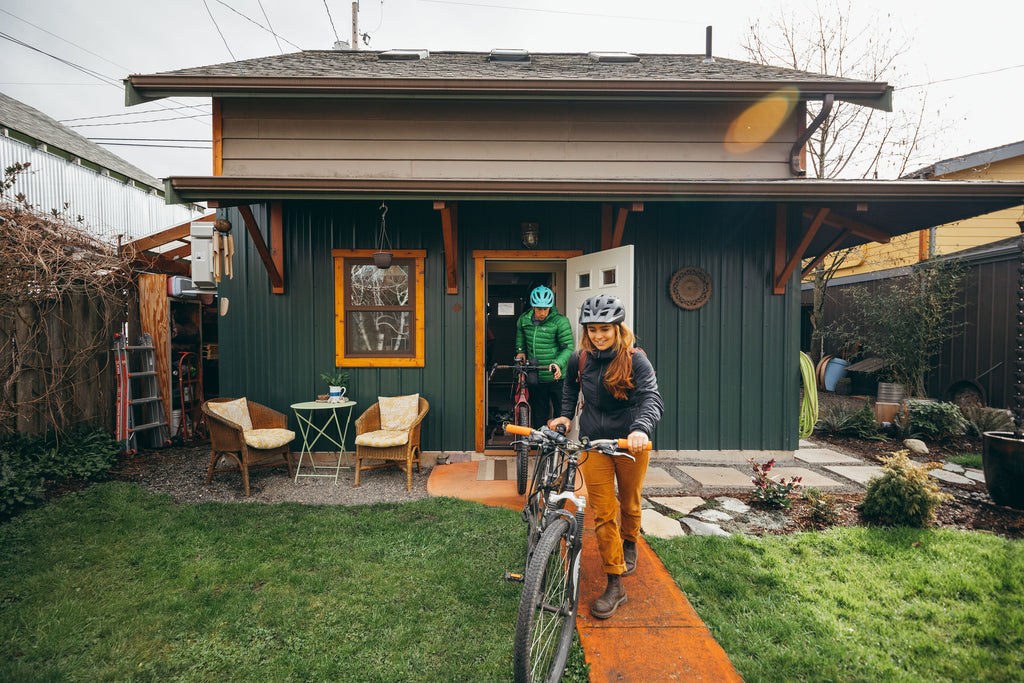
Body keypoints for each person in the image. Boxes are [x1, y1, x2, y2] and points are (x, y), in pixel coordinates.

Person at [549, 293, 663, 620]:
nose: (598, 336)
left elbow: (650, 398)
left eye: (605, 329)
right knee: (602, 512)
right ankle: (615, 583)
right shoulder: (580, 358)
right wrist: (566, 416)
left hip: (629, 443)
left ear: (617, 328)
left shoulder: (634, 359)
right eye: (592, 329)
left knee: (629, 501)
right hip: (593, 440)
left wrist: (641, 429)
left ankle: (630, 541)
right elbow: (570, 388)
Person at [514, 285, 574, 429]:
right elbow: (520, 340)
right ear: (533, 307)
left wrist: (558, 363)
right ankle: (541, 446)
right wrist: (520, 351)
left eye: (546, 309)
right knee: (539, 413)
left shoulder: (560, 321)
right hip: (536, 375)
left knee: (561, 414)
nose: (542, 313)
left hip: (557, 377)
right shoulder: (524, 320)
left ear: (550, 307)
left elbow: (568, 348)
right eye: (539, 309)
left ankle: (559, 447)